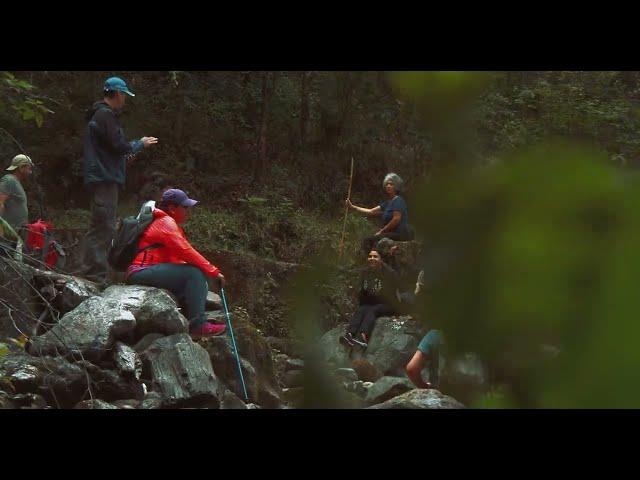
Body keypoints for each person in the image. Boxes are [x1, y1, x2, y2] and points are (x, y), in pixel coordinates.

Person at [82, 76, 158, 284]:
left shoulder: (99, 115)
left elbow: (110, 149)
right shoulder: (105, 115)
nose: (125, 99)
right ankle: (93, 276)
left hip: (103, 175)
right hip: (104, 178)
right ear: (116, 93)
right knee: (104, 226)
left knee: (100, 224)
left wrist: (124, 158)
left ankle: (94, 273)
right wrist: (139, 144)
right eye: (124, 94)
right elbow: (119, 145)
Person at [126, 188, 226, 339]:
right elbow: (186, 251)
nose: (188, 211)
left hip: (148, 270)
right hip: (141, 271)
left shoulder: (167, 223)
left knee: (195, 277)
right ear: (172, 208)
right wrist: (213, 271)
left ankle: (192, 317)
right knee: (194, 273)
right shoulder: (166, 223)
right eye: (185, 207)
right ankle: (198, 326)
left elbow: (177, 260)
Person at [339, 247, 399, 350]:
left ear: (381, 259)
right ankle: (349, 335)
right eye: (370, 256)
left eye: (375, 256)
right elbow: (363, 292)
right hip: (372, 302)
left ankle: (363, 337)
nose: (372, 258)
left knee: (372, 310)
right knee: (361, 309)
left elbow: (390, 295)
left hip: (388, 304)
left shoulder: (389, 273)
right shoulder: (366, 272)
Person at [346, 172, 413, 254]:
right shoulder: (388, 203)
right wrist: (353, 207)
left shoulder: (398, 200)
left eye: (391, 184)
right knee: (371, 239)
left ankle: (368, 261)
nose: (388, 186)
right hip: (392, 233)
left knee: (369, 240)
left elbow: (396, 219)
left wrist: (382, 231)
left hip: (401, 233)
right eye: (387, 184)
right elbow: (371, 211)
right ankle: (369, 261)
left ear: (396, 187)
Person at [0, 154, 34, 234]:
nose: (30, 172)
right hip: (6, 234)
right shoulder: (9, 180)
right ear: (21, 168)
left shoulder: (16, 182)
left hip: (16, 234)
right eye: (29, 168)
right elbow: (0, 202)